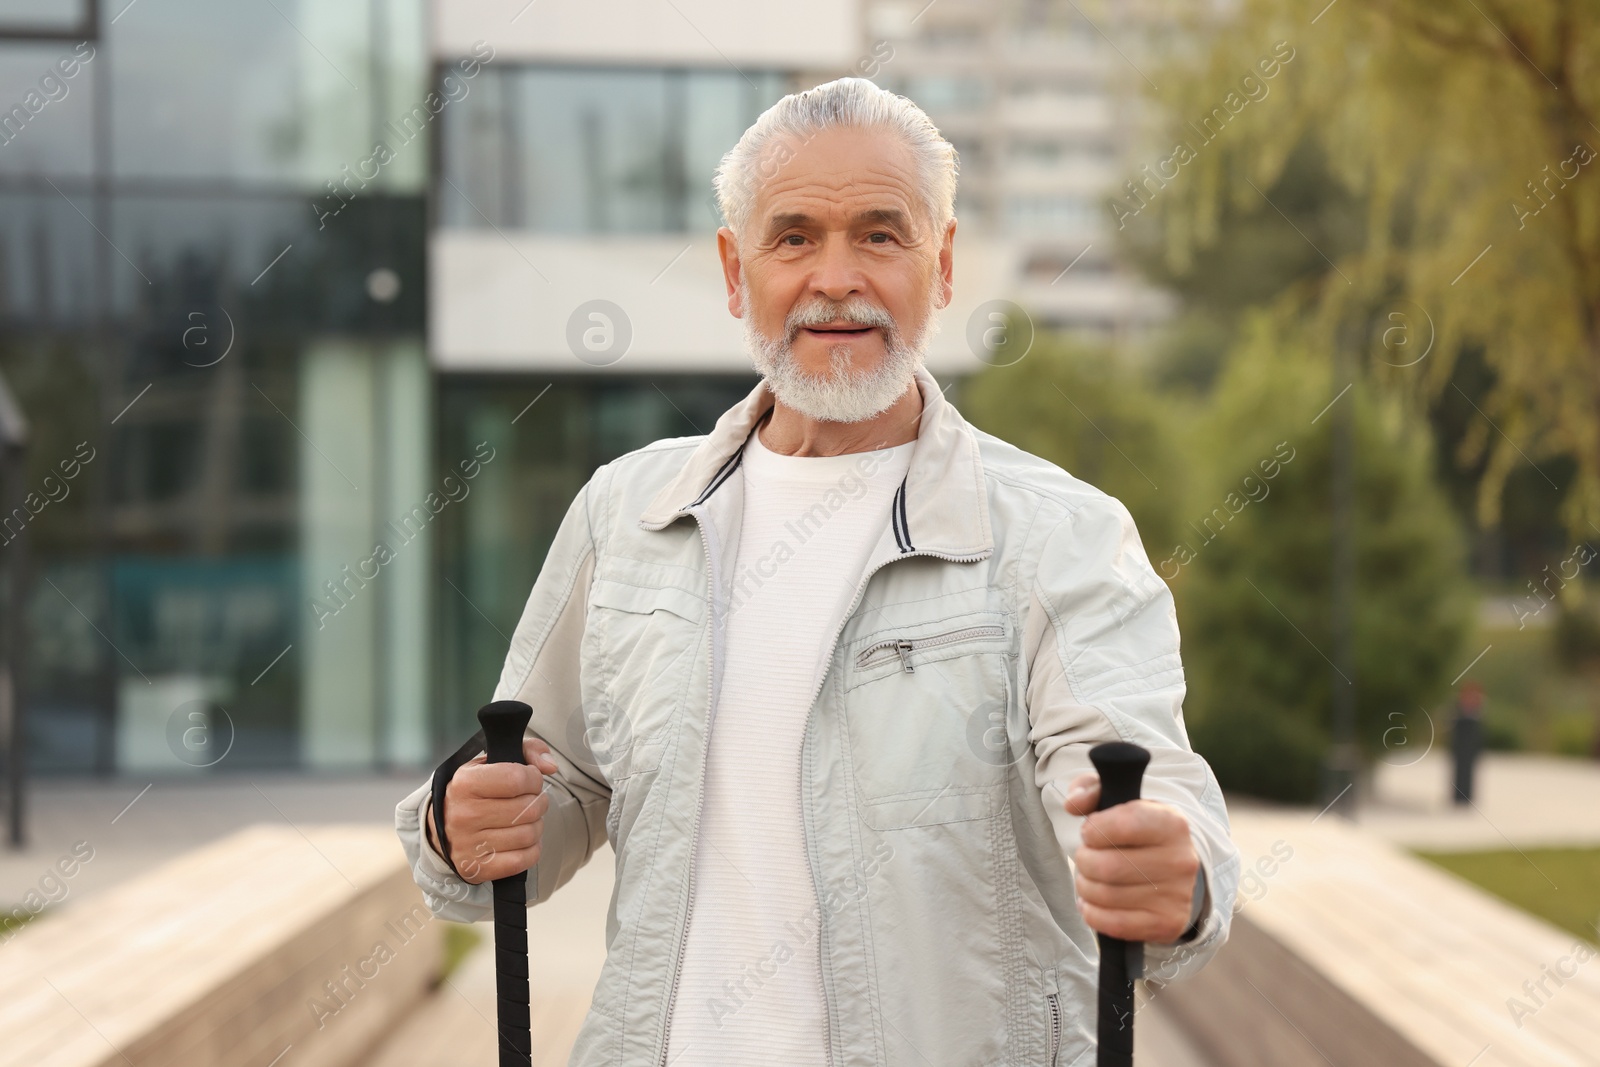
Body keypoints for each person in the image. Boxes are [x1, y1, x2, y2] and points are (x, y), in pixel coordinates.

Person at [395, 77, 1239, 1066]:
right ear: (732, 268)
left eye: (881, 235)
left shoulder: (1060, 537)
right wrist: (463, 821)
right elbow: (547, 780)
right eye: (793, 236)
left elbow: (1140, 782)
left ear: (944, 262)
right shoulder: (624, 511)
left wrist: (1168, 866)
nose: (836, 277)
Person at [1451, 680, 1486, 805]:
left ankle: (1466, 797)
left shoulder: (1477, 712)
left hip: (1470, 747)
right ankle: (1457, 797)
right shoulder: (1458, 710)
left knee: (1469, 774)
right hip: (1460, 747)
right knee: (1458, 773)